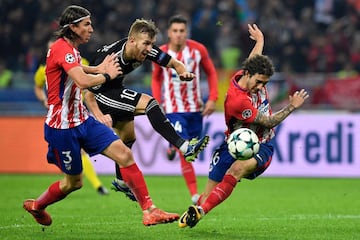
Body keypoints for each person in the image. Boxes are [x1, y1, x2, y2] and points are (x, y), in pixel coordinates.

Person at [23, 5, 179, 227]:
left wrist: (96, 69)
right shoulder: (62, 49)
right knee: (74, 183)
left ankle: (150, 210)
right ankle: (38, 206)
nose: (91, 29)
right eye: (86, 24)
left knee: (125, 155)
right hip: (62, 127)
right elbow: (82, 82)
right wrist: (106, 74)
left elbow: (80, 71)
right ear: (73, 27)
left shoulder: (71, 49)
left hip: (83, 120)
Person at [178, 23, 309, 228]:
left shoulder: (248, 73)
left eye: (264, 84)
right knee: (208, 193)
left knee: (237, 169)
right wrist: (291, 107)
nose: (260, 87)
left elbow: (254, 59)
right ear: (248, 74)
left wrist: (260, 41)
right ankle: (196, 212)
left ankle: (201, 211)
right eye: (258, 82)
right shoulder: (238, 100)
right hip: (233, 144)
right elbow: (269, 121)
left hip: (261, 145)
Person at [83, 18, 210, 201]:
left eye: (152, 44)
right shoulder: (112, 59)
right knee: (150, 103)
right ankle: (184, 146)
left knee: (128, 138)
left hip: (115, 89)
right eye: (146, 44)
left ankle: (121, 181)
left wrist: (182, 72)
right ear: (132, 41)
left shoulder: (146, 50)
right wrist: (99, 116)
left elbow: (174, 63)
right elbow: (88, 93)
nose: (149, 49)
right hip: (100, 94)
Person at [151, 15, 218, 204]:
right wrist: (157, 102)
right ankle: (195, 194)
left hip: (196, 109)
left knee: (191, 147)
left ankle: (171, 145)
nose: (178, 35)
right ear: (169, 33)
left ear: (186, 32)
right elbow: (156, 78)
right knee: (186, 150)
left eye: (182, 31)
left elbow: (211, 72)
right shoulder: (161, 54)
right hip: (173, 109)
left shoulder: (198, 50)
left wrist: (212, 99)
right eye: (175, 31)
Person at [33, 38, 109, 195]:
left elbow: (87, 83)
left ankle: (96, 185)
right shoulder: (43, 70)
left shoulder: (80, 61)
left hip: (80, 112)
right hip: (62, 116)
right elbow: (38, 87)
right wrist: (44, 100)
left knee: (81, 156)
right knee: (79, 158)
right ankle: (96, 185)